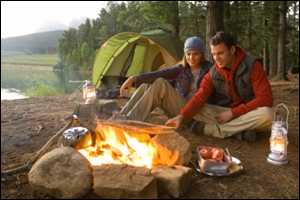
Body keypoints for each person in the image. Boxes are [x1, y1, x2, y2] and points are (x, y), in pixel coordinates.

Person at [166, 31, 273, 142]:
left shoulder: (252, 66)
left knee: (268, 114)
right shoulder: (214, 72)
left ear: (232, 50)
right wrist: (182, 116)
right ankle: (239, 131)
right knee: (198, 108)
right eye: (213, 54)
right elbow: (200, 96)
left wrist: (233, 113)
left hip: (248, 113)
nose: (216, 58)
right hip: (223, 113)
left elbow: (266, 99)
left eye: (220, 53)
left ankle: (212, 130)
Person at [111, 36, 213, 123]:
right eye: (188, 54)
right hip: (177, 107)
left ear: (202, 54)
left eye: (196, 54)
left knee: (160, 83)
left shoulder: (208, 70)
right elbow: (160, 73)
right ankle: (122, 115)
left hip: (193, 112)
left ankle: (130, 120)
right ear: (185, 55)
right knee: (146, 85)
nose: (191, 57)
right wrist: (134, 78)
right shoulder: (182, 69)